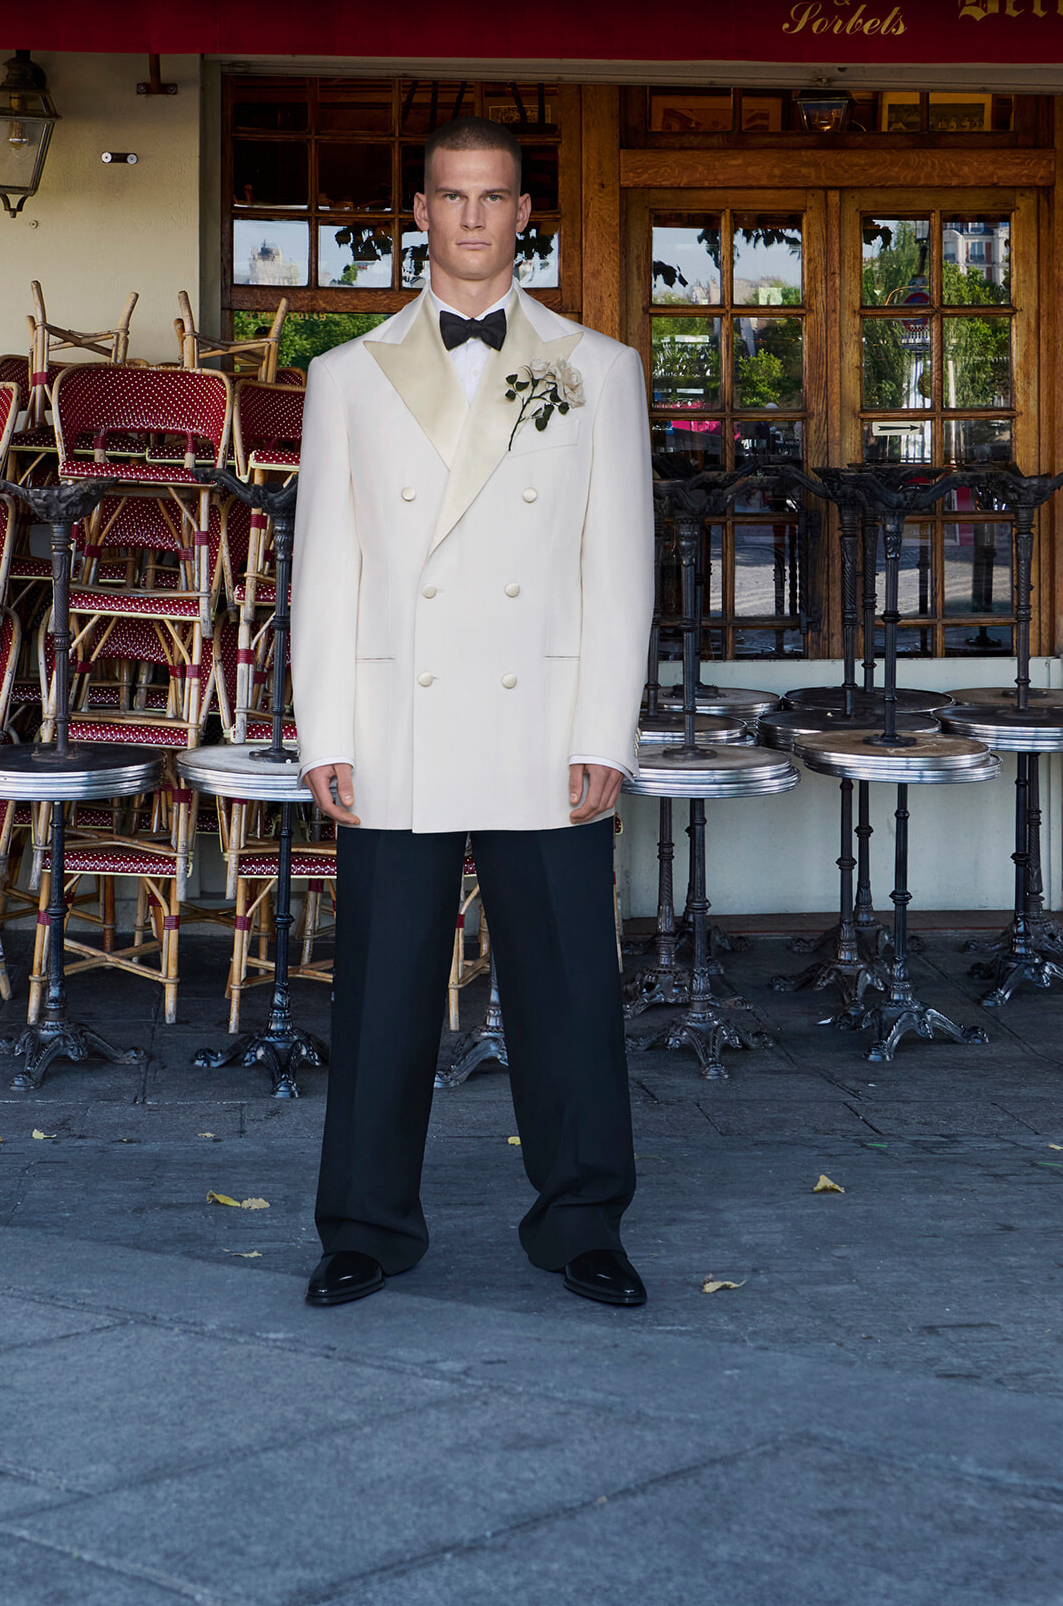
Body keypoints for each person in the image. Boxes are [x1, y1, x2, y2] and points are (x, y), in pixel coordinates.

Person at [290, 116, 654, 1308]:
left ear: (524, 214)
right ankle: (362, 1227)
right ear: (420, 214)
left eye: (495, 198)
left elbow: (620, 566)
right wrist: (324, 731)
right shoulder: (345, 377)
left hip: (541, 722)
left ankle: (584, 1221)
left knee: (567, 994)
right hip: (398, 723)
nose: (474, 219)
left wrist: (605, 728)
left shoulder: (595, 369)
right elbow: (326, 570)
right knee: (383, 992)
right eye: (452, 197)